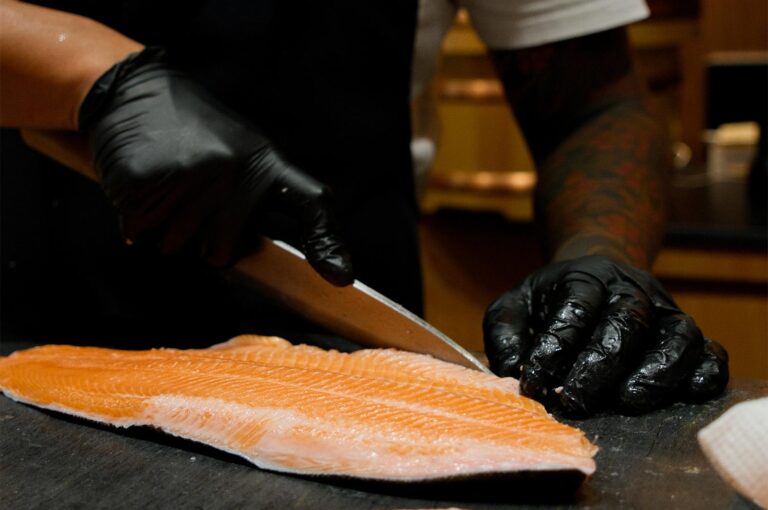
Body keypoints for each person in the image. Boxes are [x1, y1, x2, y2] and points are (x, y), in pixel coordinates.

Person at [0, 0, 728, 416]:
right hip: (28, 317)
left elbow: (594, 105)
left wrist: (603, 253)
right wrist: (91, 75)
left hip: (356, 358)